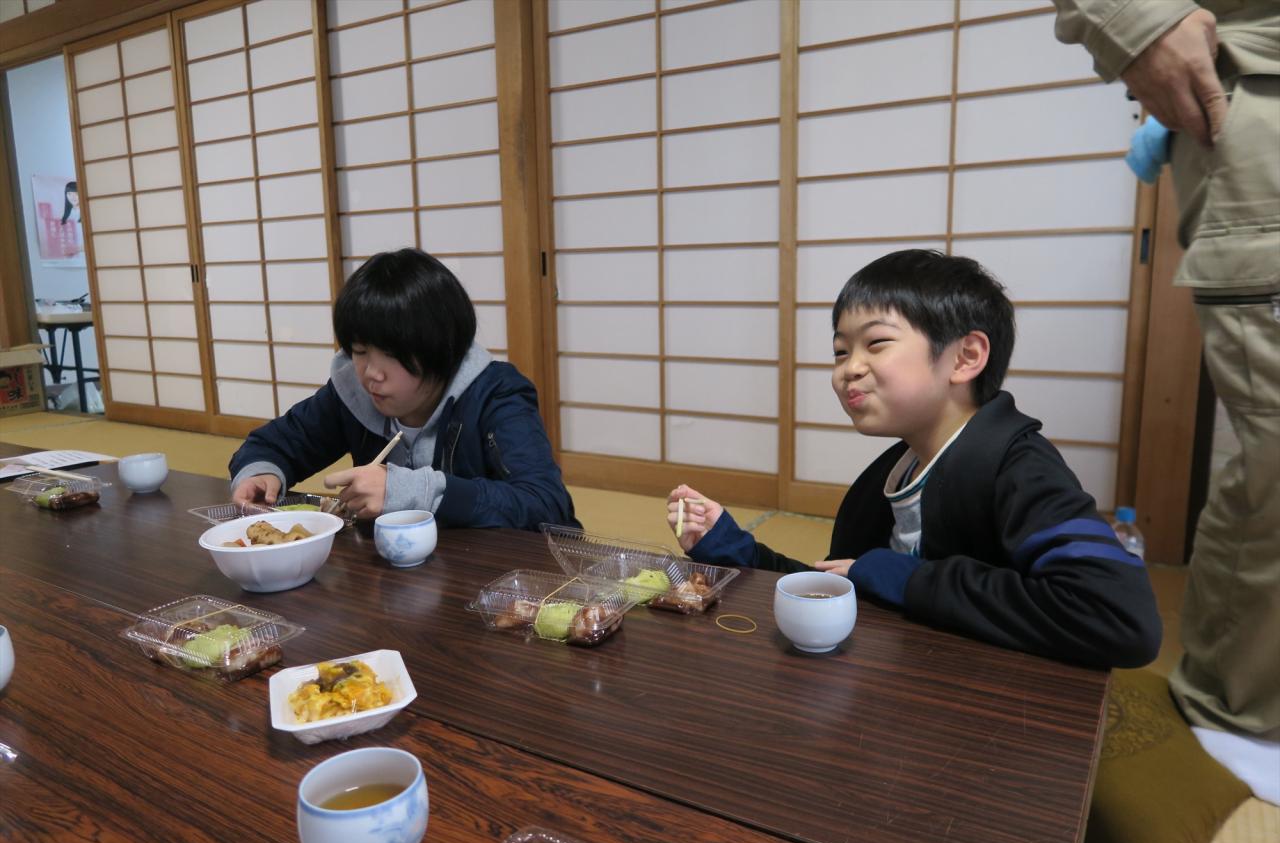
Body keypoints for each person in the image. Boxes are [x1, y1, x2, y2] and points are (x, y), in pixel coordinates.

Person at [668, 249, 1162, 669]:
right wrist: (735, 552)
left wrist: (911, 579)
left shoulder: (1019, 466)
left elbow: (1120, 617)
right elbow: (853, 586)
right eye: (841, 352)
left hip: (997, 726)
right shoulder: (890, 473)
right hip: (906, 690)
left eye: (875, 343)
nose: (848, 370)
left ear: (966, 357)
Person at [1052, 0, 1279, 739]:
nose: (850, 372)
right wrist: (1134, 18)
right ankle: (1234, 720)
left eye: (870, 346)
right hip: (1258, 89)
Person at [230, 247, 578, 532]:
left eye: (392, 355)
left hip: (492, 581)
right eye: (361, 351)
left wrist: (414, 492)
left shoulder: (495, 394)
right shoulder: (352, 390)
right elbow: (272, 444)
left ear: (441, 348)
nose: (371, 374)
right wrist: (262, 473)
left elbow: (546, 505)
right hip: (393, 583)